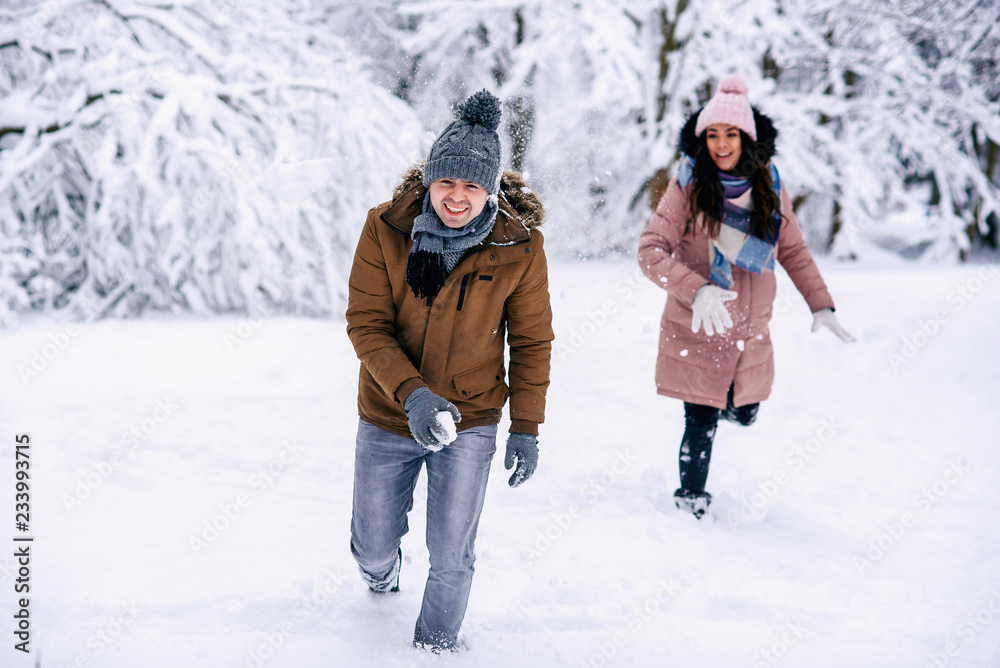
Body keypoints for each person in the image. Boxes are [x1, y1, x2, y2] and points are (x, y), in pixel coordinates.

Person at [345, 89, 553, 651]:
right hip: (391, 409)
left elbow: (532, 341)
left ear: (489, 189)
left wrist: (526, 428)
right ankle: (380, 573)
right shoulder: (385, 229)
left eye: (471, 186)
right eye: (446, 183)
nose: (456, 197)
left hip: (471, 415)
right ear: (429, 179)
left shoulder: (518, 247)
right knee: (371, 542)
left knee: (452, 555)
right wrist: (413, 395)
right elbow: (366, 324)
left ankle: (436, 651)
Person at [637, 75, 854, 519]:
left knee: (747, 412)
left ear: (747, 138)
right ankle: (691, 501)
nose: (720, 144)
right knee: (698, 420)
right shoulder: (687, 185)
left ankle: (727, 409)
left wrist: (821, 303)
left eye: (730, 134)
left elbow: (791, 248)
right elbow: (649, 251)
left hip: (749, 328)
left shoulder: (769, 185)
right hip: (697, 323)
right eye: (712, 135)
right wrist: (696, 290)